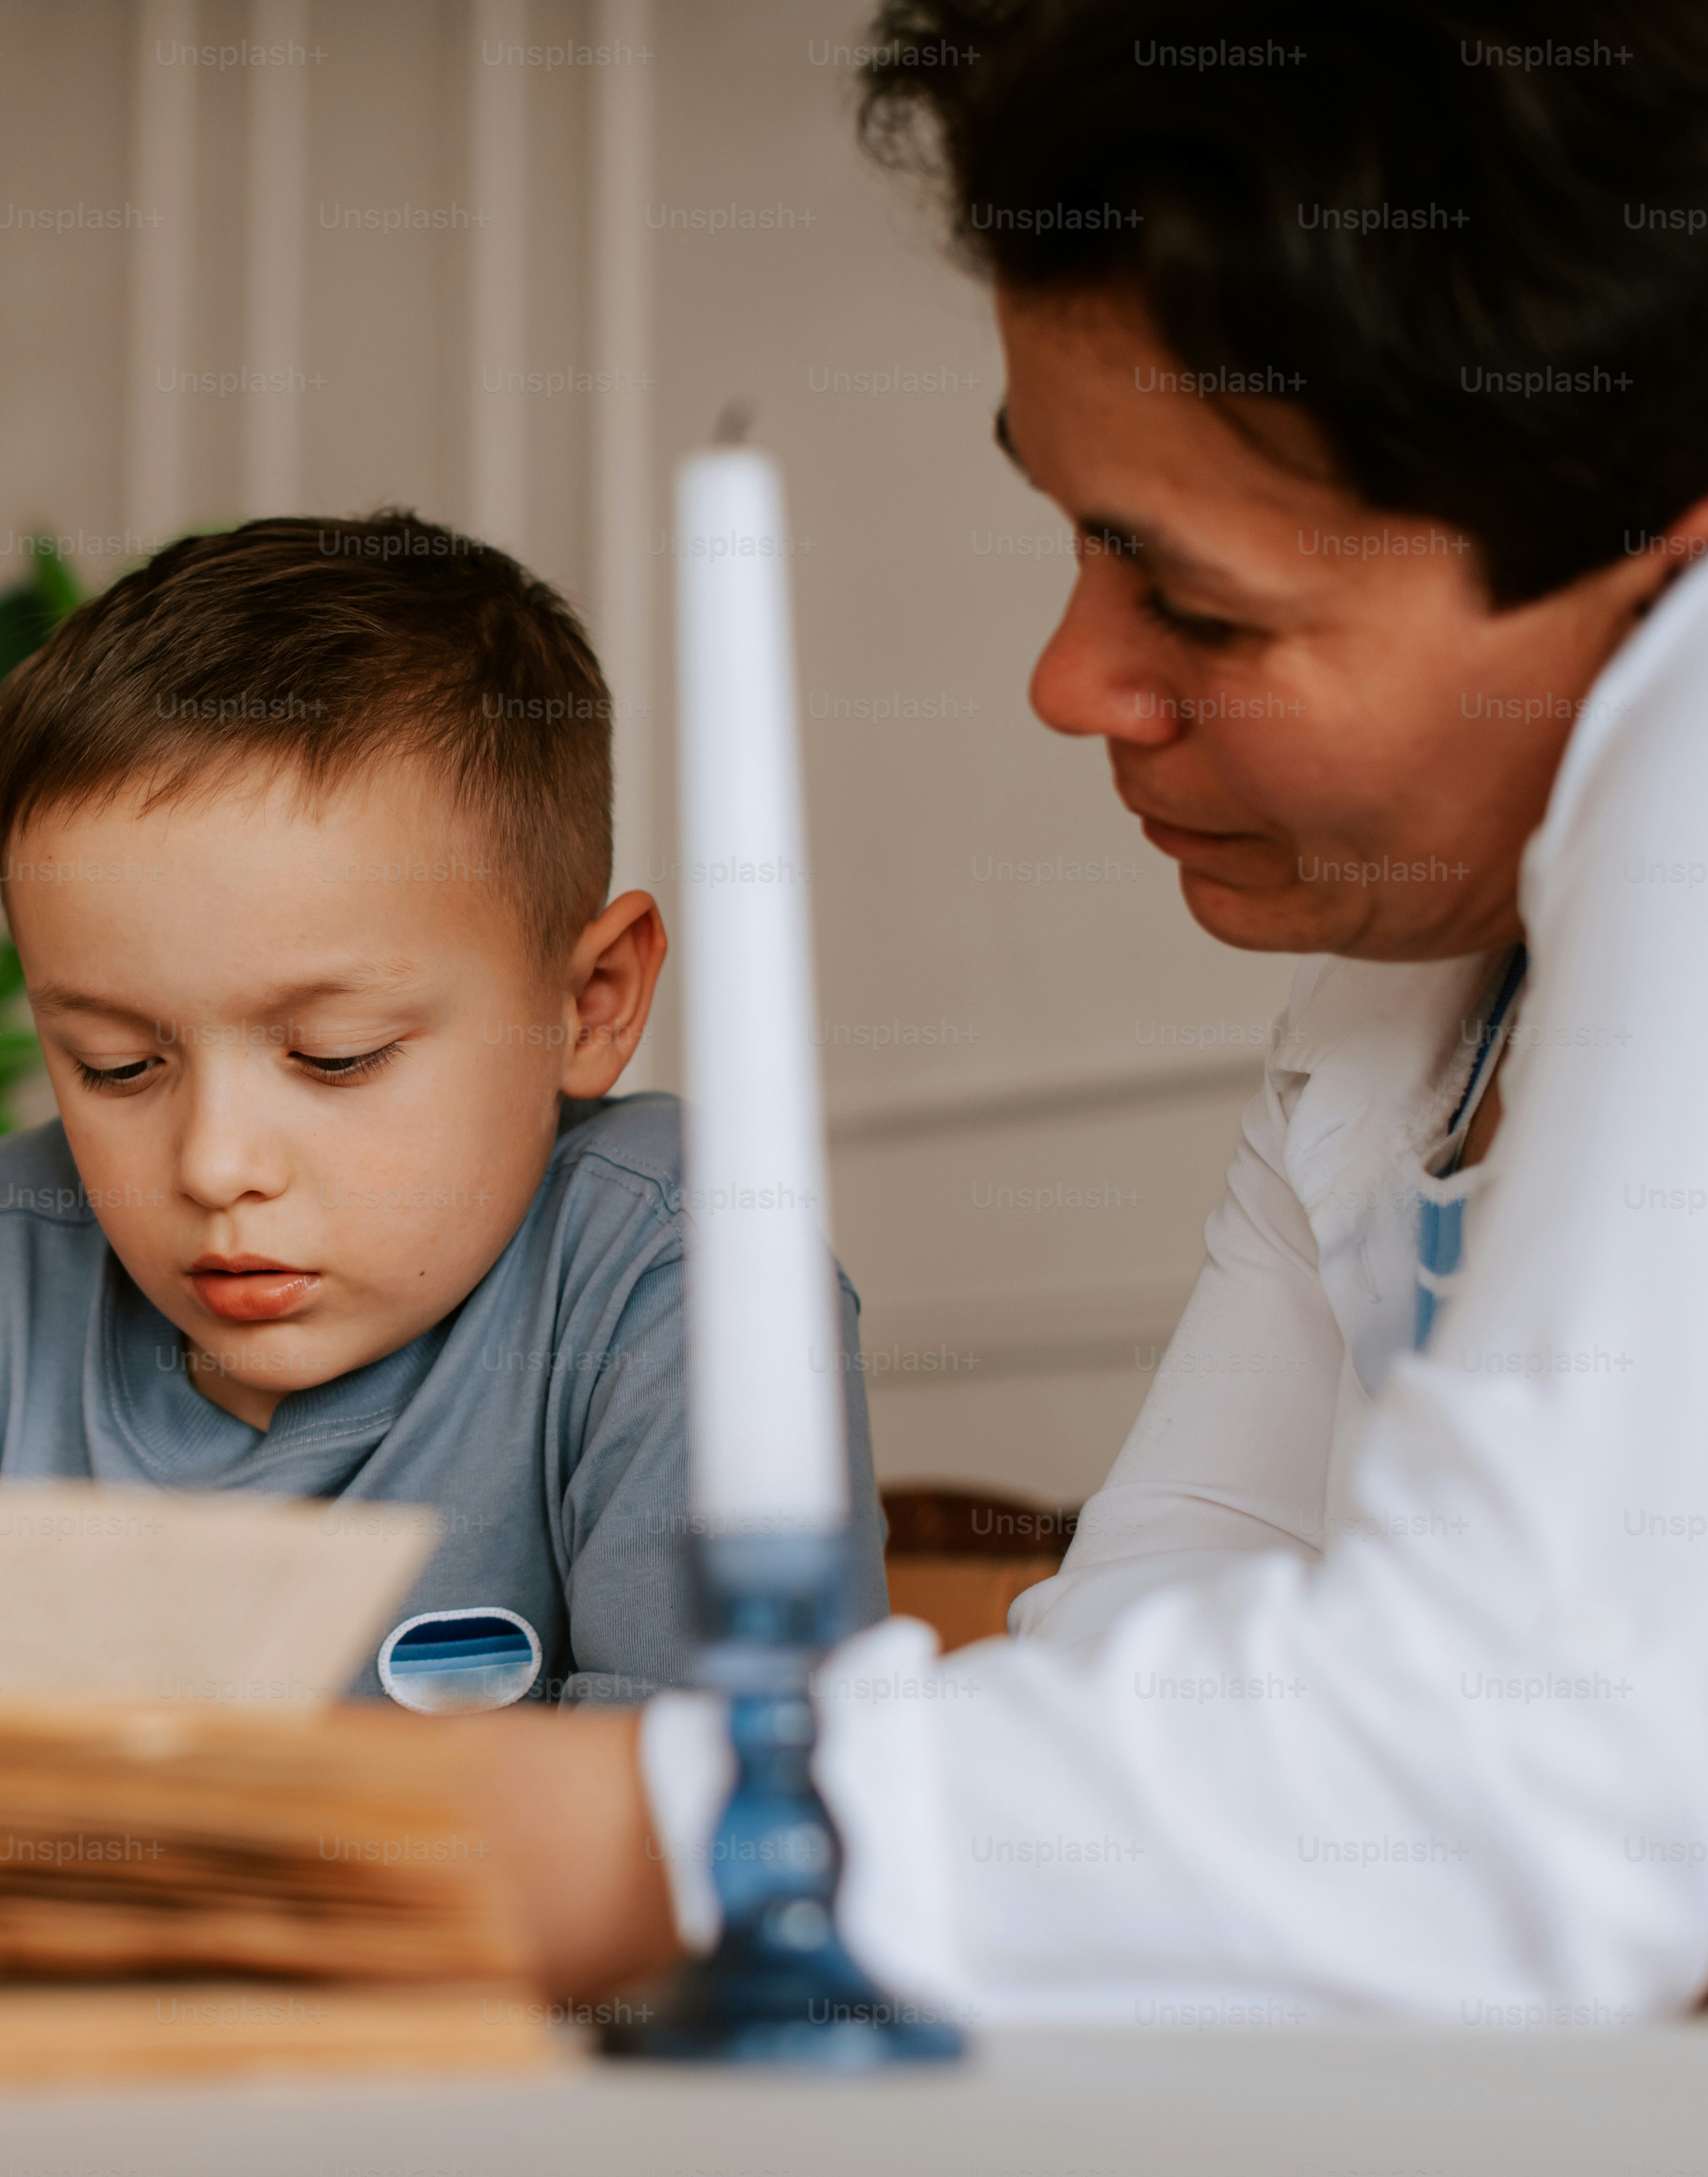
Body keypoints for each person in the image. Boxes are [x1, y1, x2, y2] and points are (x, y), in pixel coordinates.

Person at [469, 0, 1708, 2020]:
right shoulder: (1390, 1011)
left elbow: (1521, 1765)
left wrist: (593, 1838)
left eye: (1198, 607)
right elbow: (1159, 1635)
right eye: (1072, 542)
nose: (1068, 681)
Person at [0, 511, 890, 1710]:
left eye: (336, 1057)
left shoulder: (681, 1277)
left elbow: (705, 1837)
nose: (215, 1165)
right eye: (117, 1064)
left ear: (587, 1001)